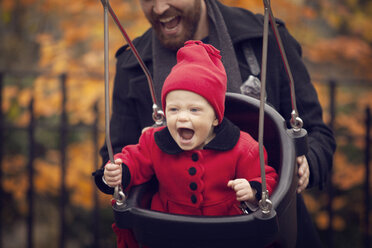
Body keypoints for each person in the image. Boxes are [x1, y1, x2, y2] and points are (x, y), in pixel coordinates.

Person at [93, 0, 336, 247]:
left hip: (260, 229)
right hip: (170, 230)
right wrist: (123, 167)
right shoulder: (133, 62)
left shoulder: (264, 38)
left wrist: (304, 165)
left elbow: (317, 133)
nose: (158, 8)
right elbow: (116, 155)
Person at [101, 40, 279, 247]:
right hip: (168, 231)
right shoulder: (155, 141)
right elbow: (135, 158)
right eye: (174, 109)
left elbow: (268, 177)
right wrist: (118, 170)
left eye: (194, 110)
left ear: (215, 118)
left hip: (225, 232)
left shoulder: (242, 147)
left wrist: (253, 190)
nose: (182, 118)